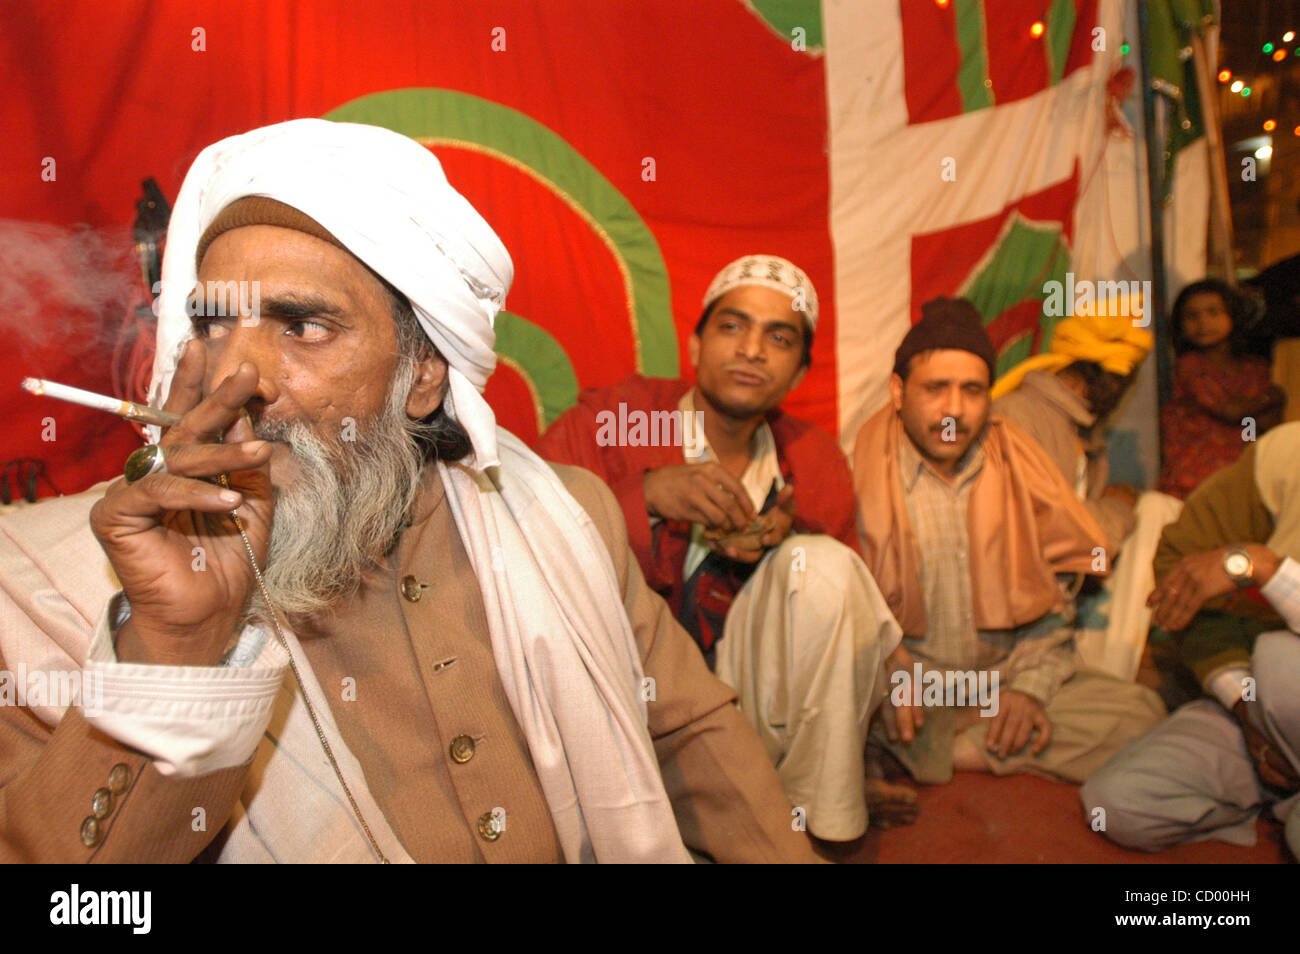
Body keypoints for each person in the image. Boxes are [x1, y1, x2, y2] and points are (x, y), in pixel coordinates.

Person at [0, 119, 819, 864]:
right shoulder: (47, 595)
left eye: (304, 326)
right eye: (215, 325)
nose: (239, 378)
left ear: (422, 374)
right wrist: (176, 656)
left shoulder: (562, 518)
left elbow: (687, 731)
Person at [538, 256, 900, 843]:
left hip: (751, 704)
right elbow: (523, 535)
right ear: (696, 343)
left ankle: (819, 827)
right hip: (623, 699)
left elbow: (843, 609)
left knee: (828, 567)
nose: (752, 349)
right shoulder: (617, 419)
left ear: (800, 373)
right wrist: (646, 496)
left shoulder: (812, 460)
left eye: (778, 337)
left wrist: (796, 552)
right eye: (733, 326)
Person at [851, 298, 1163, 819]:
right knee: (820, 710)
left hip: (999, 680)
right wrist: (882, 659)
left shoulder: (1018, 466)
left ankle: (951, 751)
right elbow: (838, 618)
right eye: (935, 389)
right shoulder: (856, 474)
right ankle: (948, 744)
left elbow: (1051, 612)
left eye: (971, 390)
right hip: (907, 690)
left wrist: (1029, 691)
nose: (954, 410)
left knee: (1141, 715)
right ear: (899, 392)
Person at [1081, 422, 1300, 857]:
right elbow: (1185, 558)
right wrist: (1244, 706)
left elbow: (1251, 569)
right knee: (1119, 801)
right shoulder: (1289, 451)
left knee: (1279, 660)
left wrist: (1267, 570)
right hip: (1277, 715)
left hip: (1285, 684)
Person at [991, 302, 1180, 681]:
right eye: (1122, 379)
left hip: (1061, 607)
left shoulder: (1080, 429)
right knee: (1135, 711)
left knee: (1161, 509)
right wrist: (1115, 509)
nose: (1122, 391)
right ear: (1088, 373)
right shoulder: (1017, 418)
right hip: (1010, 632)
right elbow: (1049, 536)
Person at [1157, 279, 1285, 500]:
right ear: (1180, 326)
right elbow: (1231, 411)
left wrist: (1254, 414)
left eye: (1213, 312)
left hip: (1240, 476)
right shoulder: (1190, 366)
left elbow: (1256, 424)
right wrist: (1271, 398)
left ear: (1233, 316)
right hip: (1191, 481)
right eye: (1192, 316)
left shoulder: (1253, 368)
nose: (1203, 323)